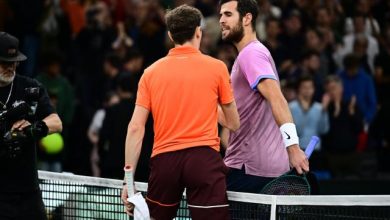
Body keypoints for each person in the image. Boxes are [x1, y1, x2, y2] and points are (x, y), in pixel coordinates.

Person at [121, 5, 240, 220]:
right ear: (198, 32)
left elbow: (136, 128)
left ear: (170, 35)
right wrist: (208, 103)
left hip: (165, 162)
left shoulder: (150, 73)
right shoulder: (217, 67)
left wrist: (128, 183)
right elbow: (233, 123)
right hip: (203, 161)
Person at [219, 0, 309, 193]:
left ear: (247, 18)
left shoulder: (251, 54)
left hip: (249, 171)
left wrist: (293, 147)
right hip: (254, 169)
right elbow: (235, 119)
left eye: (227, 15)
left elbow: (277, 98)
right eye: (220, 15)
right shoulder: (249, 55)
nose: (221, 20)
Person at [0, 32, 62, 219]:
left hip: (29, 191)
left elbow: (56, 122)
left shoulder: (30, 87)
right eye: (5, 63)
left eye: (14, 62)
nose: (11, 67)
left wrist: (34, 129)